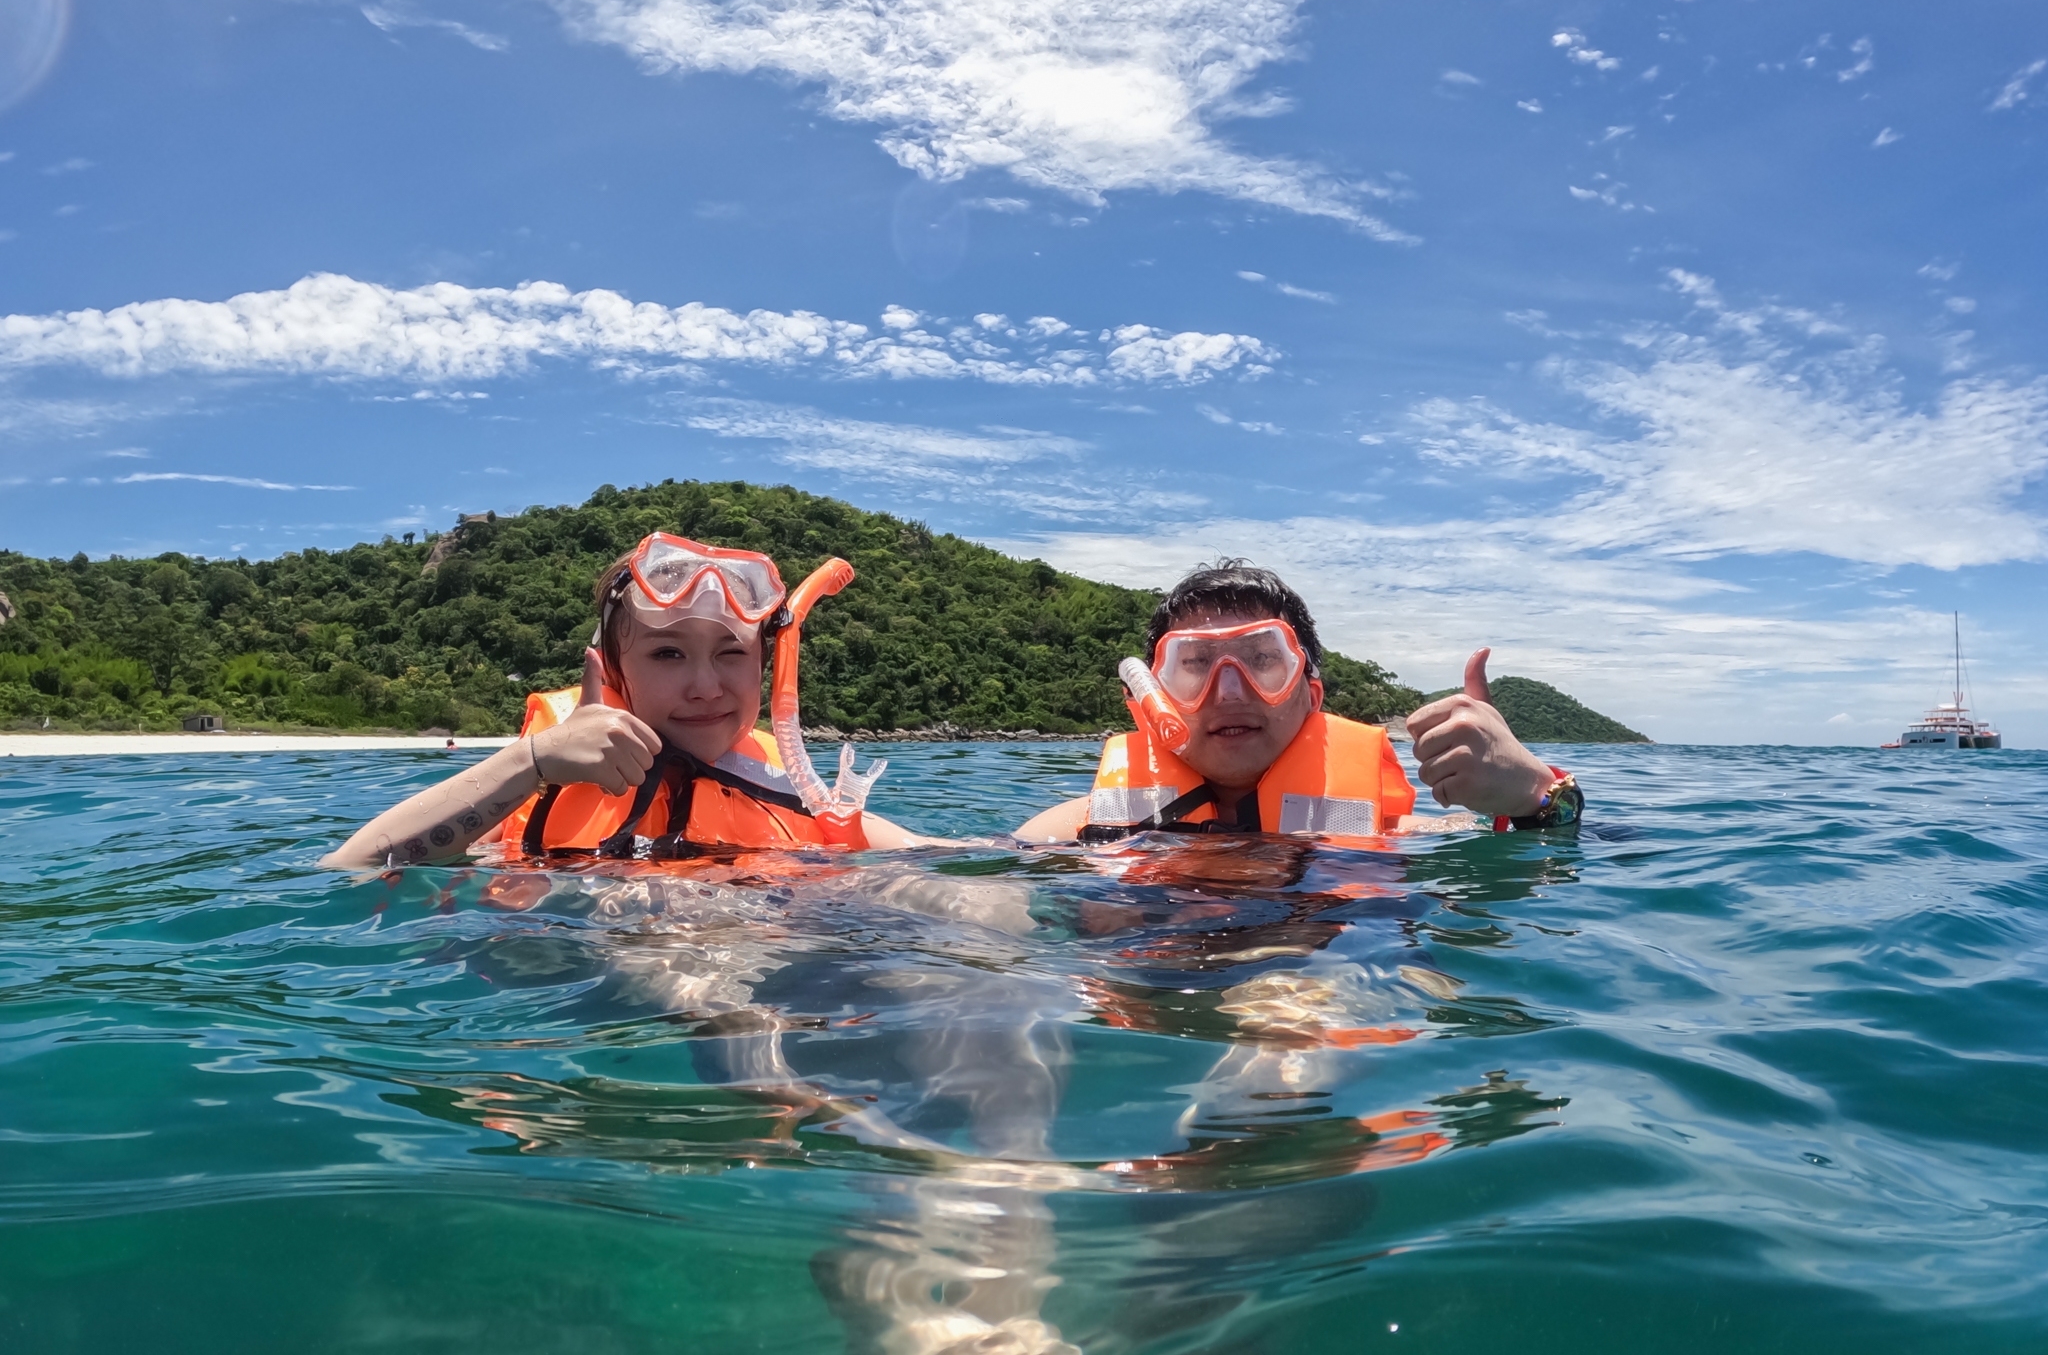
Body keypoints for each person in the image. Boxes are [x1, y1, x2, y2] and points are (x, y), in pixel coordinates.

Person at [324, 533, 931, 868]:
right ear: (613, 668)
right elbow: (353, 866)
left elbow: (955, 859)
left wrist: (1022, 856)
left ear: (766, 667)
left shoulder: (784, 788)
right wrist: (533, 762)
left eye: (732, 654)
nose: (706, 686)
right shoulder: (541, 786)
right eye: (667, 654)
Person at [1015, 560, 1582, 844]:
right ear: (1152, 699)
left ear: (1311, 694)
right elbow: (945, 864)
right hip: (1137, 980)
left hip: (1324, 983)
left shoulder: (1388, 834)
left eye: (1263, 660)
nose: (1230, 691)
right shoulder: (1088, 830)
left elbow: (1597, 852)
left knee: (1289, 1014)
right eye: (1195, 665)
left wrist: (1537, 797)